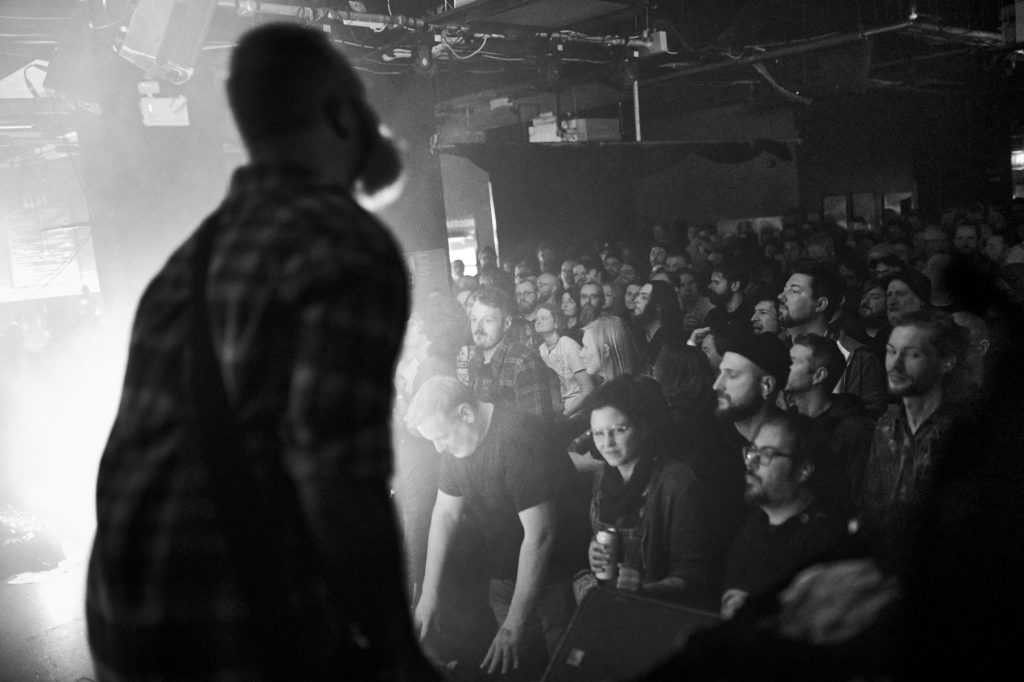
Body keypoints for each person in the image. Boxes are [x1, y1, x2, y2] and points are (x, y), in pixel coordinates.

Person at [86, 23, 436, 681]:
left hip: (124, 629)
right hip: (242, 628)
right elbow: (334, 476)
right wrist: (398, 649)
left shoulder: (189, 259)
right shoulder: (345, 241)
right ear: (338, 112)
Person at [407, 377, 575, 678]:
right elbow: (445, 514)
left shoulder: (518, 436)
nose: (438, 447)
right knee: (517, 668)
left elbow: (540, 536)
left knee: (562, 667)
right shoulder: (456, 446)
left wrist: (513, 625)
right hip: (504, 573)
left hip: (555, 576)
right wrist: (428, 593)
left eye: (441, 436)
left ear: (465, 414)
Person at [585, 376, 711, 604]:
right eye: (597, 433)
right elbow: (600, 542)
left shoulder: (677, 483)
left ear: (643, 428)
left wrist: (647, 588)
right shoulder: (603, 476)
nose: (607, 443)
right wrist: (594, 552)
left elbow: (694, 575)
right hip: (614, 608)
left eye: (619, 430)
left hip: (660, 615)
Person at [858, 310, 965, 562]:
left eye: (912, 354)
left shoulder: (963, 431)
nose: (895, 365)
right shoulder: (887, 425)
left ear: (946, 362)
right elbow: (871, 504)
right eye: (891, 351)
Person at [721, 413, 849, 619]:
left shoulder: (824, 542)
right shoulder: (755, 524)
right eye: (752, 452)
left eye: (766, 454)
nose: (751, 463)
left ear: (802, 470)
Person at [784, 334, 875, 514]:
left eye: (792, 362)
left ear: (819, 376)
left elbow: (858, 498)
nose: (783, 366)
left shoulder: (853, 429)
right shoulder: (786, 424)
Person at [465, 287, 558, 417]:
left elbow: (538, 429)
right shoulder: (472, 360)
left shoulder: (524, 363)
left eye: (487, 320)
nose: (478, 328)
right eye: (474, 319)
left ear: (507, 323)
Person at [535, 302, 594, 416]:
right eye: (537, 318)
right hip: (557, 411)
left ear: (556, 323)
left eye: (543, 318)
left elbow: (588, 388)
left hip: (577, 411)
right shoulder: (541, 350)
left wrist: (566, 414)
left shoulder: (568, 345)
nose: (538, 322)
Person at [633, 280, 686, 373]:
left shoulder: (671, 341)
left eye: (644, 297)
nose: (636, 300)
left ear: (658, 305)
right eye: (638, 296)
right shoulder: (637, 335)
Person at [704, 260, 755, 335]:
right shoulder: (713, 315)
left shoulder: (753, 316)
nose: (710, 286)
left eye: (716, 282)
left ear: (735, 285)